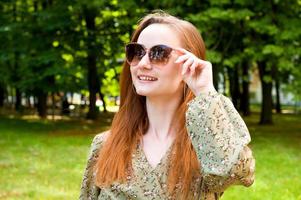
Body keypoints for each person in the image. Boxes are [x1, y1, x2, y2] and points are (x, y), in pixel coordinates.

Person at [80, 10, 255, 200]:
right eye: (137, 52)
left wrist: (205, 91)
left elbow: (237, 173)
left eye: (159, 53)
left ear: (188, 64)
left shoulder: (205, 146)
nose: (143, 63)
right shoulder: (105, 145)